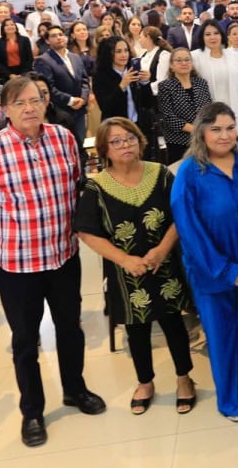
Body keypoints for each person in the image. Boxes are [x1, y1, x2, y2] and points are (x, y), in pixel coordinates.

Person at [0, 76, 106, 447]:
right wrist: (9, 233)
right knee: (26, 341)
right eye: (19, 103)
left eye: (35, 100)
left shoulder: (63, 138)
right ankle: (32, 410)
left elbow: (76, 184)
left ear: (45, 103)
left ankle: (75, 389)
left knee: (71, 328)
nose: (29, 108)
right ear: (6, 110)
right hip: (17, 264)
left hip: (63, 256)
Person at [74, 118, 196, 414]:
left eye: (129, 138)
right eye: (116, 141)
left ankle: (184, 378)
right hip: (125, 271)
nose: (125, 145)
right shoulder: (96, 186)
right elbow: (87, 232)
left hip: (164, 264)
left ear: (140, 141)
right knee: (136, 327)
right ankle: (145, 382)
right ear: (104, 149)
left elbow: (181, 215)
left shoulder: (160, 174)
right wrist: (125, 259)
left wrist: (162, 249)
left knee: (173, 322)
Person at [171, 102, 238, 420]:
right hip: (211, 273)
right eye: (215, 129)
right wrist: (227, 270)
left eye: (230, 128)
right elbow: (189, 230)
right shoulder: (190, 172)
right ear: (202, 131)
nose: (224, 135)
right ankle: (230, 401)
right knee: (221, 338)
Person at [34, 25, 90, 156]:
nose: (59, 38)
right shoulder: (43, 60)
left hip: (80, 110)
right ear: (47, 41)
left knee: (80, 147)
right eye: (54, 36)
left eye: (60, 34)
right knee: (64, 149)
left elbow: (84, 81)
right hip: (60, 111)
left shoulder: (75, 57)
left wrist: (83, 98)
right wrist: (70, 100)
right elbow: (48, 88)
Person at [157, 48, 213, 164]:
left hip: (203, 140)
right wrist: (196, 129)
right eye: (179, 60)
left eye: (187, 60)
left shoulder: (201, 83)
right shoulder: (165, 86)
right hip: (179, 142)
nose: (184, 63)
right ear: (171, 65)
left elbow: (209, 110)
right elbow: (168, 117)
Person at [192, 20, 238, 135]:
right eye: (208, 34)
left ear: (222, 35)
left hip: (233, 112)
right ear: (202, 37)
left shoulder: (232, 56)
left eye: (216, 33)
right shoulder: (195, 57)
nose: (212, 37)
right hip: (208, 116)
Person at [0, 18, 34, 85]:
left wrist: (22, 74)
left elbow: (29, 59)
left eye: (12, 24)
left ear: (16, 27)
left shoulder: (24, 40)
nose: (10, 27)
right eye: (7, 25)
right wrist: (9, 75)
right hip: (7, 73)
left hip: (24, 72)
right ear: (3, 28)